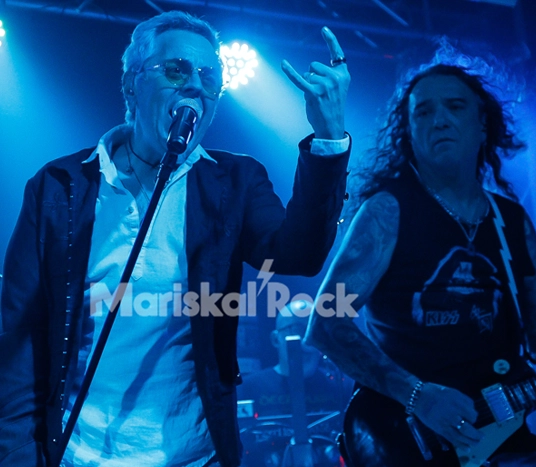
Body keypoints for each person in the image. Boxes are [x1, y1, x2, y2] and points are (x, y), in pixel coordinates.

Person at [0, 10, 350, 467]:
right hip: (76, 454)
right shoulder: (60, 187)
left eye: (210, 76)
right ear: (132, 84)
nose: (196, 86)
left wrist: (328, 138)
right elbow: (18, 336)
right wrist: (18, 456)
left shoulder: (235, 182)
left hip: (194, 454)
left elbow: (299, 255)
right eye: (176, 70)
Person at [304, 52, 536, 466]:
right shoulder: (387, 212)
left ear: (483, 123)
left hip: (508, 443)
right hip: (406, 439)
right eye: (423, 112)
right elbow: (325, 320)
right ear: (409, 132)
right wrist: (418, 396)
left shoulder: (511, 222)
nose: (439, 120)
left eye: (455, 106)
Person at [238, 300, 353, 419]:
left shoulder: (343, 387)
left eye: (314, 330)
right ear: (276, 339)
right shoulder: (247, 389)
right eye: (297, 329)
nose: (306, 341)